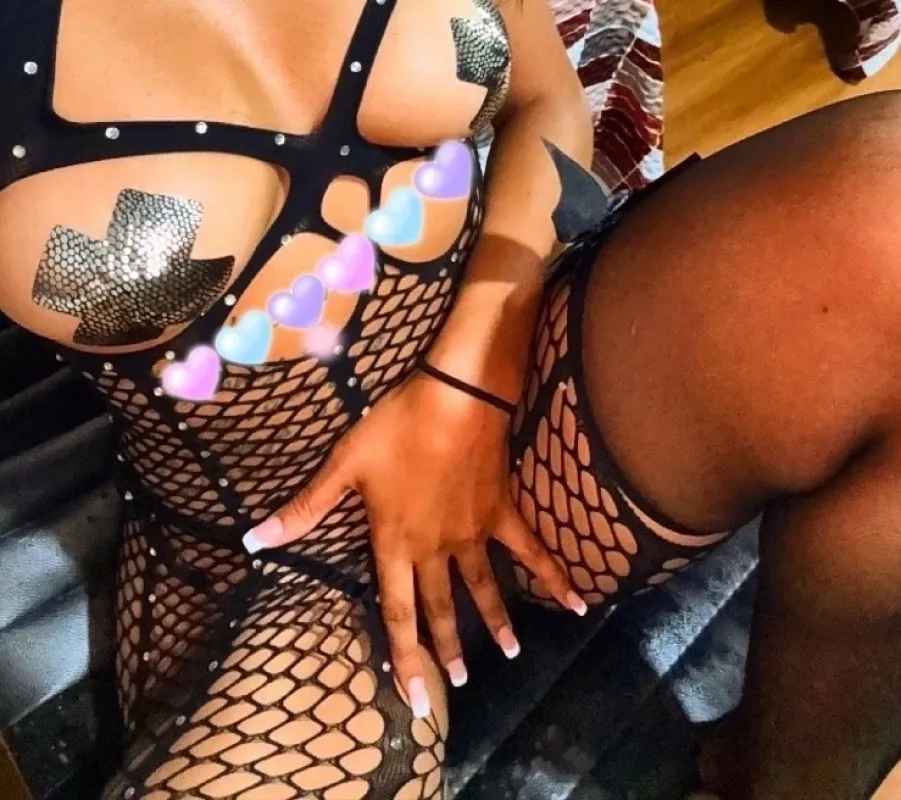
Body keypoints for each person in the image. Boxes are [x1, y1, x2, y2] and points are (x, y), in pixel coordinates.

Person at [1, 3, 900, 800]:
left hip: (512, 365)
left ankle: (784, 778)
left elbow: (542, 100)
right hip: (285, 545)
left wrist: (468, 376)